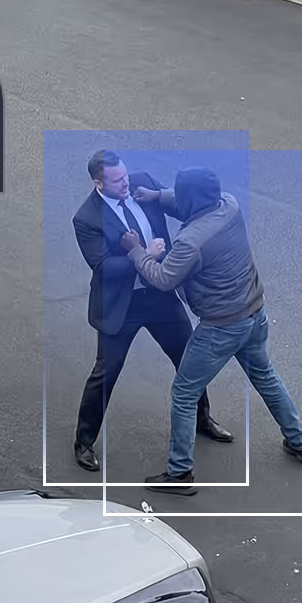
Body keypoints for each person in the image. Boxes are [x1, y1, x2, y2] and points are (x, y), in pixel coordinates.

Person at [122, 166, 302, 496]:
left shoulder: (190, 242)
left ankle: (179, 473)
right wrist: (158, 196)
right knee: (266, 376)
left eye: (180, 194)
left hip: (220, 328)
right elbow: (189, 201)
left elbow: (164, 278)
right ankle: (300, 443)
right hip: (255, 313)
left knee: (184, 393)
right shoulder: (229, 205)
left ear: (190, 199)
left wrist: (135, 251)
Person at [71, 151, 234, 473]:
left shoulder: (142, 184)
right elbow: (102, 267)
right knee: (107, 372)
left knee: (190, 360)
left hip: (160, 295)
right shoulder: (87, 218)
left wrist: (160, 196)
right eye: (117, 181)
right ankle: (84, 441)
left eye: (126, 176)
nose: (126, 184)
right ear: (98, 183)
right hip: (123, 305)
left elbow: (182, 206)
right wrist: (144, 254)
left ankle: (202, 419)